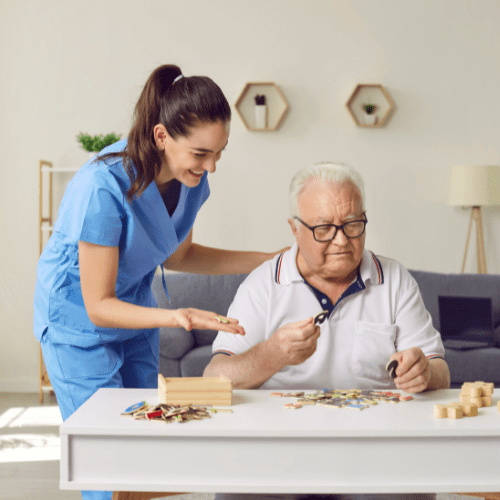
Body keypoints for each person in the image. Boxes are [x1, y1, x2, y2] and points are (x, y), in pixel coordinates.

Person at [34, 64, 285, 500]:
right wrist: (175, 314)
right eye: (201, 154)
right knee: (107, 461)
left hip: (134, 312)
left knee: (147, 445)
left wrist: (265, 260)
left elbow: (179, 253)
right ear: (162, 136)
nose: (211, 166)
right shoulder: (102, 187)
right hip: (76, 323)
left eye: (219, 153)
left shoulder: (191, 182)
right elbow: (97, 304)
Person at [204, 162, 450, 500]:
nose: (341, 241)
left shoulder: (394, 279)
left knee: (411, 489)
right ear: (295, 229)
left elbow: (440, 372)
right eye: (324, 228)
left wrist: (423, 371)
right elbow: (213, 378)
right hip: (278, 449)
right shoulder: (262, 284)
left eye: (353, 225)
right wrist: (273, 353)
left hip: (375, 449)